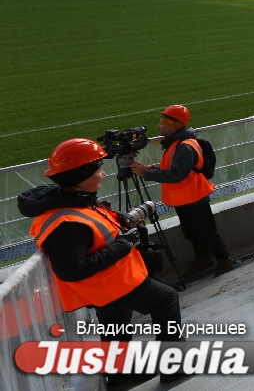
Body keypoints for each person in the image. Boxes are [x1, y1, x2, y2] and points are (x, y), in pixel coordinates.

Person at [18, 138, 184, 384]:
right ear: (80, 176)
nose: (103, 174)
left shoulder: (72, 199)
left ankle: (119, 375)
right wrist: (125, 243)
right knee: (166, 299)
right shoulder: (67, 223)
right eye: (98, 170)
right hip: (112, 282)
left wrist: (119, 221)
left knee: (116, 323)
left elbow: (93, 231)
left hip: (105, 285)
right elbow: (72, 269)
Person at [131, 106, 232, 278]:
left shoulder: (184, 146)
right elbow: (173, 169)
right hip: (185, 198)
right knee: (192, 233)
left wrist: (146, 174)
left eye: (162, 123)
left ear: (173, 125)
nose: (158, 127)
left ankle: (224, 260)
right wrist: (149, 169)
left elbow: (176, 175)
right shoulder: (177, 143)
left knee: (206, 233)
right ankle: (204, 258)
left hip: (193, 198)